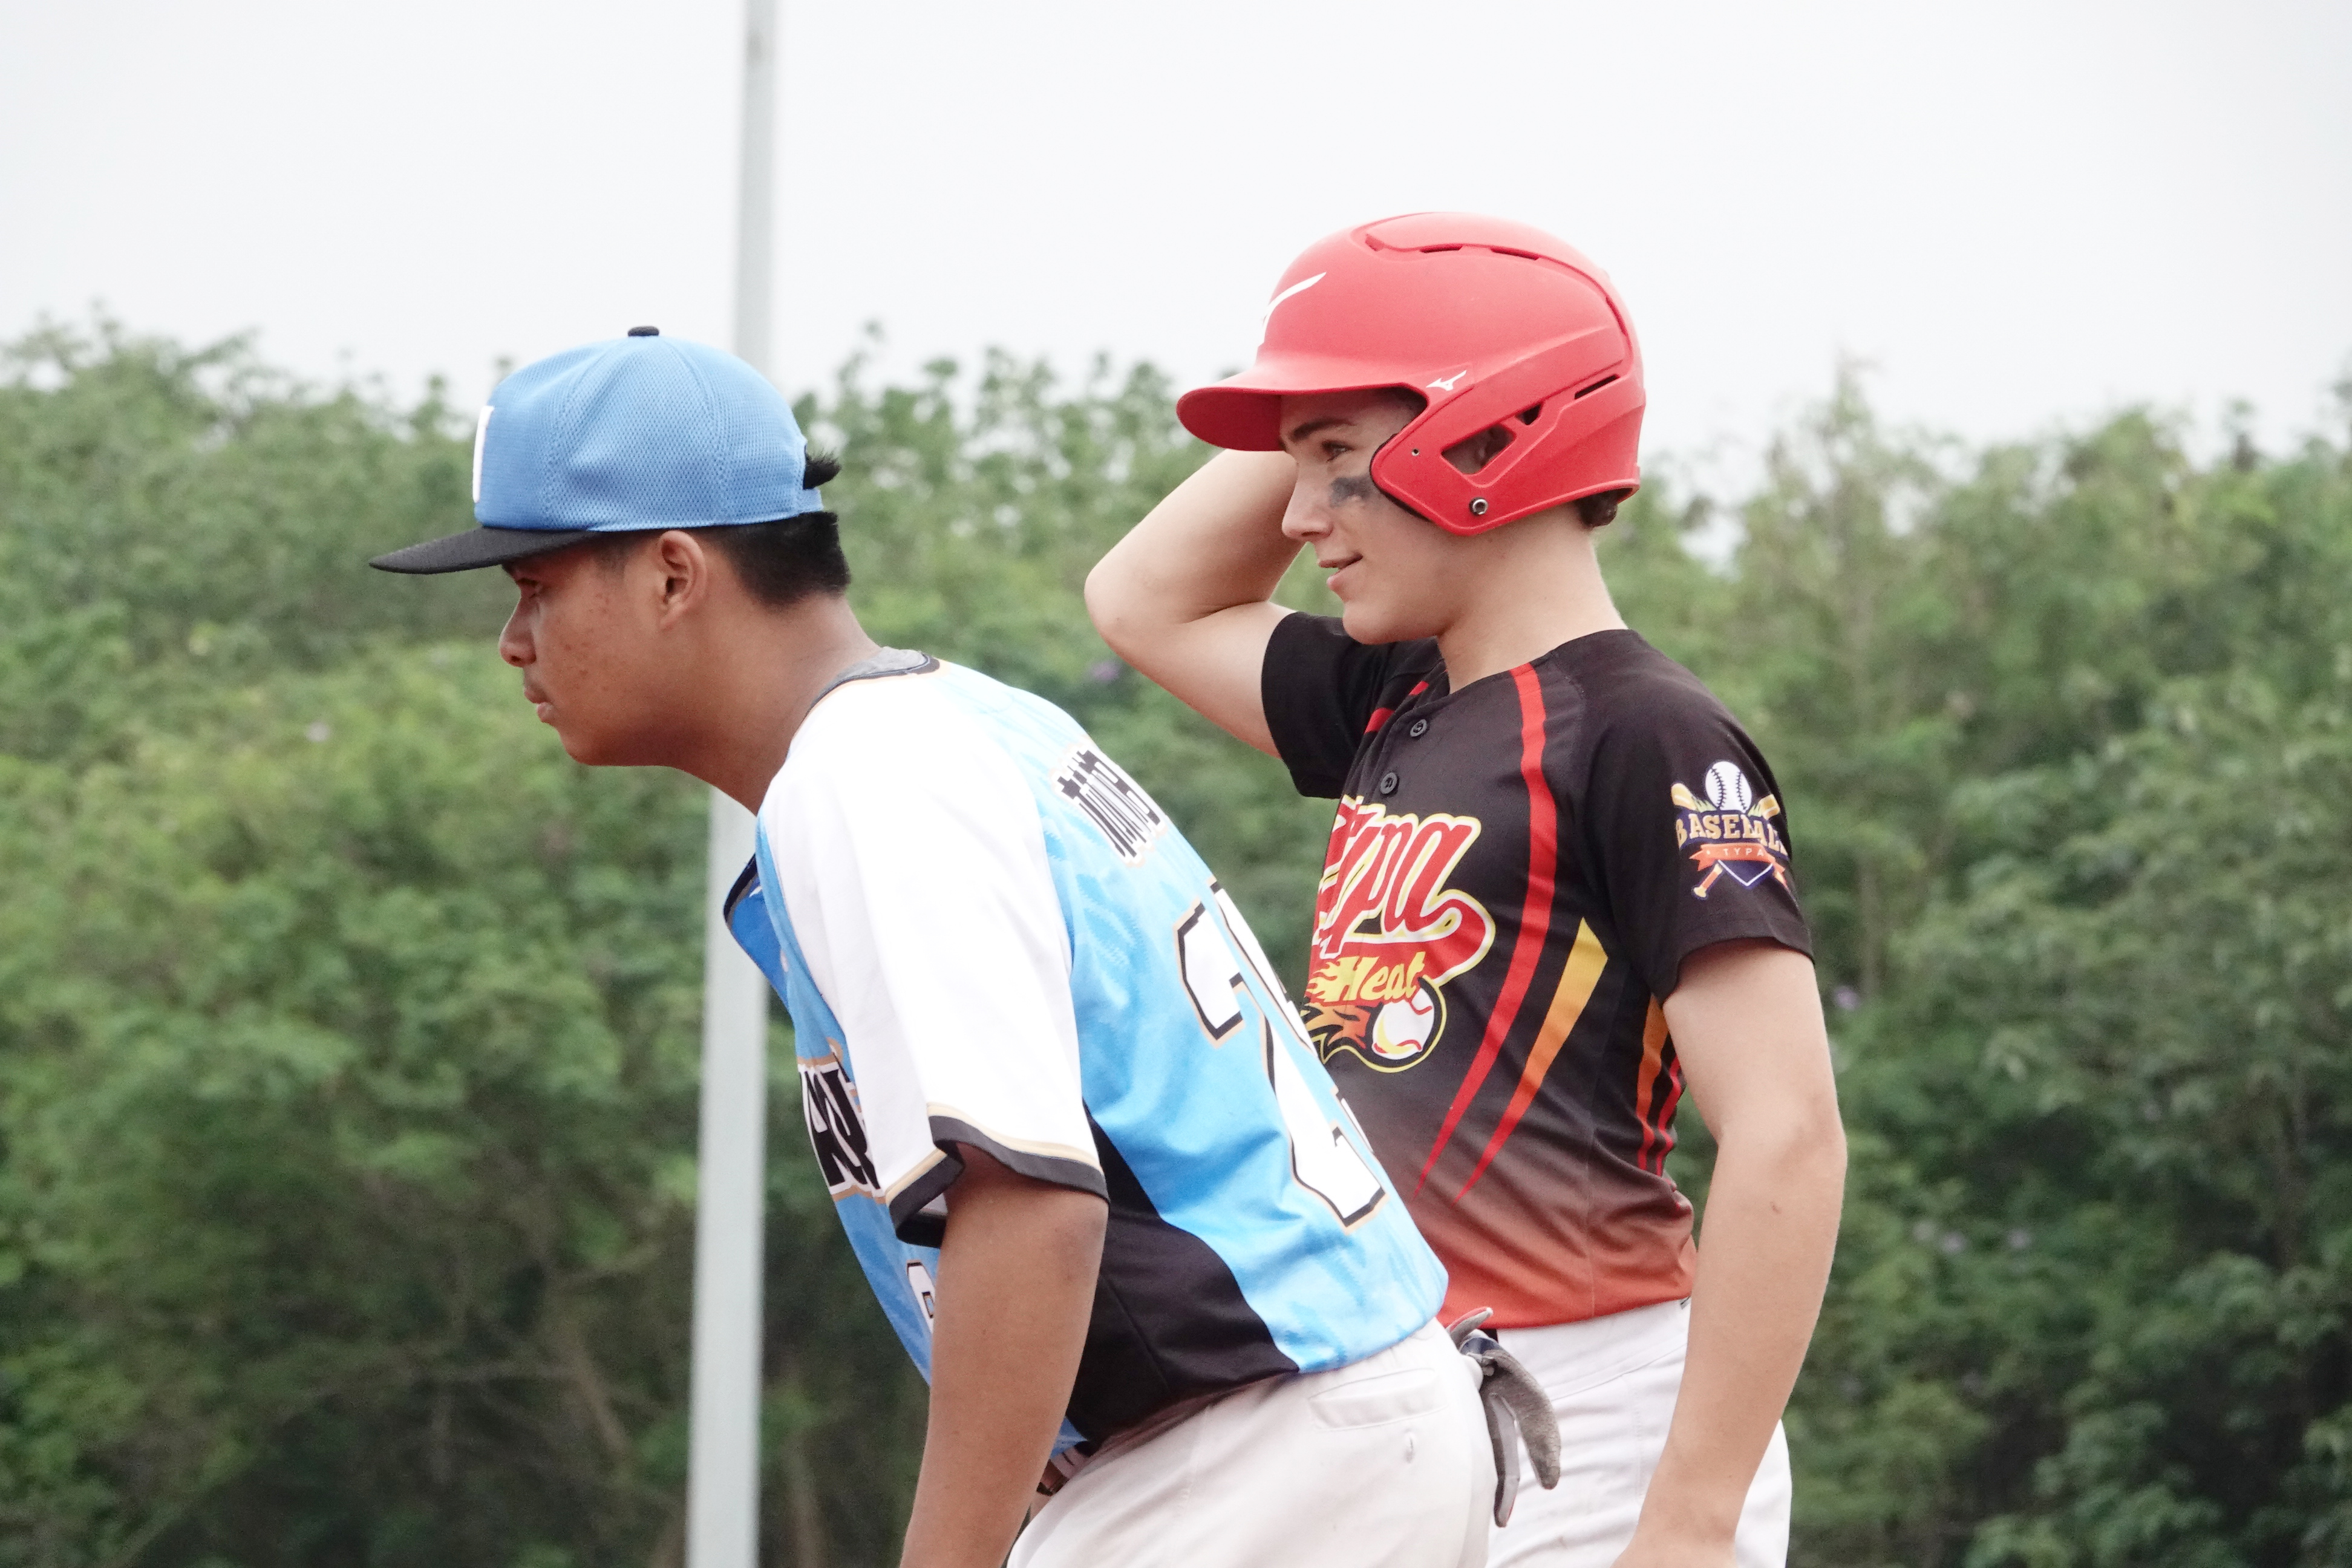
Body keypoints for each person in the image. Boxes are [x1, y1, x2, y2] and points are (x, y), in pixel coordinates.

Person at [370, 327, 1501, 1568]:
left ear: (675, 575)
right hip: (1317, 1423)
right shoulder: (960, 722)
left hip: (1258, 1451)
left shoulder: (873, 775)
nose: (513, 638)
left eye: (535, 583)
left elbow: (1032, 1209)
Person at [1085, 214, 1849, 1567]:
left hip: (1599, 1418)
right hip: (1416, 1406)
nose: (1297, 517)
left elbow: (1789, 1134)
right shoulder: (1399, 696)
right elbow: (1144, 601)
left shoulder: (1648, 734)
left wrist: (1692, 1519)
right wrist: (1316, 392)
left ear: (1491, 440)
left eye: (1334, 462)